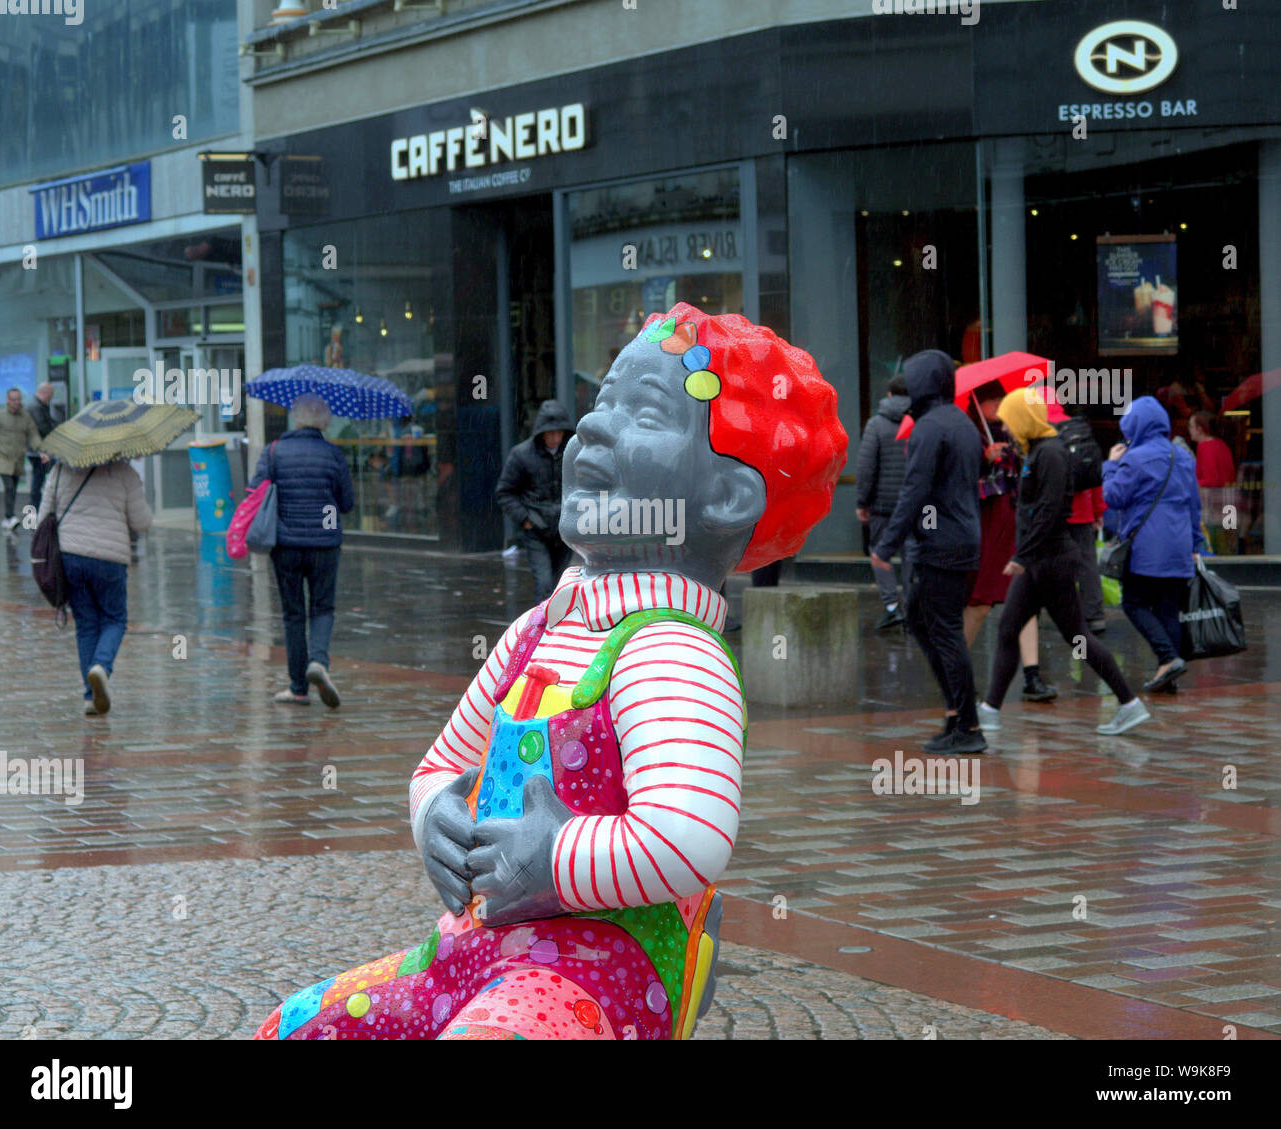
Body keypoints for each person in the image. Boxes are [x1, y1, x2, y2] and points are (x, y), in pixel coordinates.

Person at [254, 303, 848, 1041]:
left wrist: (554, 858)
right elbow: (443, 761)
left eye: (645, 412)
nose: (595, 427)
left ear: (728, 497)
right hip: (466, 952)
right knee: (297, 1024)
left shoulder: (671, 651)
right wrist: (434, 811)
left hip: (593, 976)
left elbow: (689, 832)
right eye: (603, 401)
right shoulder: (538, 629)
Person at [976, 389, 1149, 736]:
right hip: (1040, 561)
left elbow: (1050, 511)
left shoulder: (1050, 454)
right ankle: (989, 711)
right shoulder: (1036, 453)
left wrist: (1022, 556)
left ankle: (1129, 703)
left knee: (1078, 637)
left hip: (1049, 561)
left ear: (1023, 420)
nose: (1005, 427)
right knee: (1011, 628)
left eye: (1010, 420)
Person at [872, 350, 986, 756]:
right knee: (922, 621)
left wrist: (885, 545)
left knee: (944, 631)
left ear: (921, 384)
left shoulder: (928, 427)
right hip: (960, 539)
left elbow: (915, 490)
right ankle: (957, 716)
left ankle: (968, 724)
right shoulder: (962, 423)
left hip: (941, 545)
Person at [249, 393, 355, 708]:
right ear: (324, 421)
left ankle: (297, 688)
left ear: (296, 418)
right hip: (325, 544)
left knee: (293, 615)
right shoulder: (333, 454)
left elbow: (256, 491)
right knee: (322, 608)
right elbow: (346, 503)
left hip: (286, 544)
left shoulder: (274, 451)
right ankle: (318, 661)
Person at [1103, 396, 1205, 694]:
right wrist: (1195, 543)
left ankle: (1168, 658)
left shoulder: (1134, 458)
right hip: (1178, 544)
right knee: (1168, 610)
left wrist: (1110, 465)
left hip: (1147, 546)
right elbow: (1193, 505)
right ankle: (1168, 679)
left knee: (1134, 603)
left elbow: (1114, 497)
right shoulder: (1182, 456)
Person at [37, 458, 153, 715]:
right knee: (114, 619)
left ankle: (90, 697)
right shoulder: (124, 472)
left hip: (70, 557)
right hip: (110, 559)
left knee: (87, 624)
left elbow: (43, 517)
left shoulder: (60, 469)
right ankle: (101, 666)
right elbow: (141, 522)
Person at [963, 386, 1056, 702]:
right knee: (981, 602)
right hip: (990, 526)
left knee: (1025, 598)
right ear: (979, 403)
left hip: (1017, 522)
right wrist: (985, 462)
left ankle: (1032, 676)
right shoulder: (969, 434)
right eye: (992, 400)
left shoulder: (1013, 431)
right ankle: (956, 672)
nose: (998, 406)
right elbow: (963, 484)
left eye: (1001, 400)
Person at [495, 398, 575, 604]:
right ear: (541, 433)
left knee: (560, 585)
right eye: (551, 433)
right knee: (544, 584)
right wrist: (525, 520)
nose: (555, 438)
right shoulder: (521, 455)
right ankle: (542, 630)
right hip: (536, 530)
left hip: (564, 531)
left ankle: (557, 629)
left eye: (559, 432)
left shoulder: (573, 453)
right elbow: (505, 492)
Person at [856, 372, 912, 631]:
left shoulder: (876, 424)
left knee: (880, 554)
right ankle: (912, 610)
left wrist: (862, 502)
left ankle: (892, 607)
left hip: (883, 505)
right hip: (913, 504)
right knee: (912, 556)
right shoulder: (919, 421)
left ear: (889, 394)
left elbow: (866, 467)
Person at [1049, 399, 1108, 632]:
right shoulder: (1079, 429)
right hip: (1082, 511)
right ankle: (1094, 615)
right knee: (1086, 563)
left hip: (1053, 512)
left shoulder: (1041, 430)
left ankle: (1064, 613)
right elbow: (1094, 474)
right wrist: (1097, 511)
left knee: (1053, 563)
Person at [0, 387, 42, 532]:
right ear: (8, 400)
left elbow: (33, 434)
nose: (16, 402)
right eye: (13, 399)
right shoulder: (0, 416)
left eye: (18, 399)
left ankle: (7, 519)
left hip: (18, 459)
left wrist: (41, 450)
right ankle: (10, 517)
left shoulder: (25, 417)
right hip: (3, 458)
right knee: (9, 487)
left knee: (13, 489)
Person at [1188, 411, 1236, 555]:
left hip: (1214, 507)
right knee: (1228, 549)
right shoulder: (1222, 445)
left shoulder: (1204, 447)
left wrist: (1191, 484)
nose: (1189, 430)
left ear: (1200, 429)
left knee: (1214, 550)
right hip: (1230, 504)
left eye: (1191, 426)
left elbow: (1211, 480)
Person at [26, 383, 61, 513]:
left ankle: (37, 508)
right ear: (45, 393)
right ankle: (34, 510)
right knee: (38, 480)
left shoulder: (38, 405)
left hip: (37, 450)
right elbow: (43, 427)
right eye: (50, 396)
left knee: (40, 479)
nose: (51, 399)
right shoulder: (36, 407)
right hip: (37, 451)